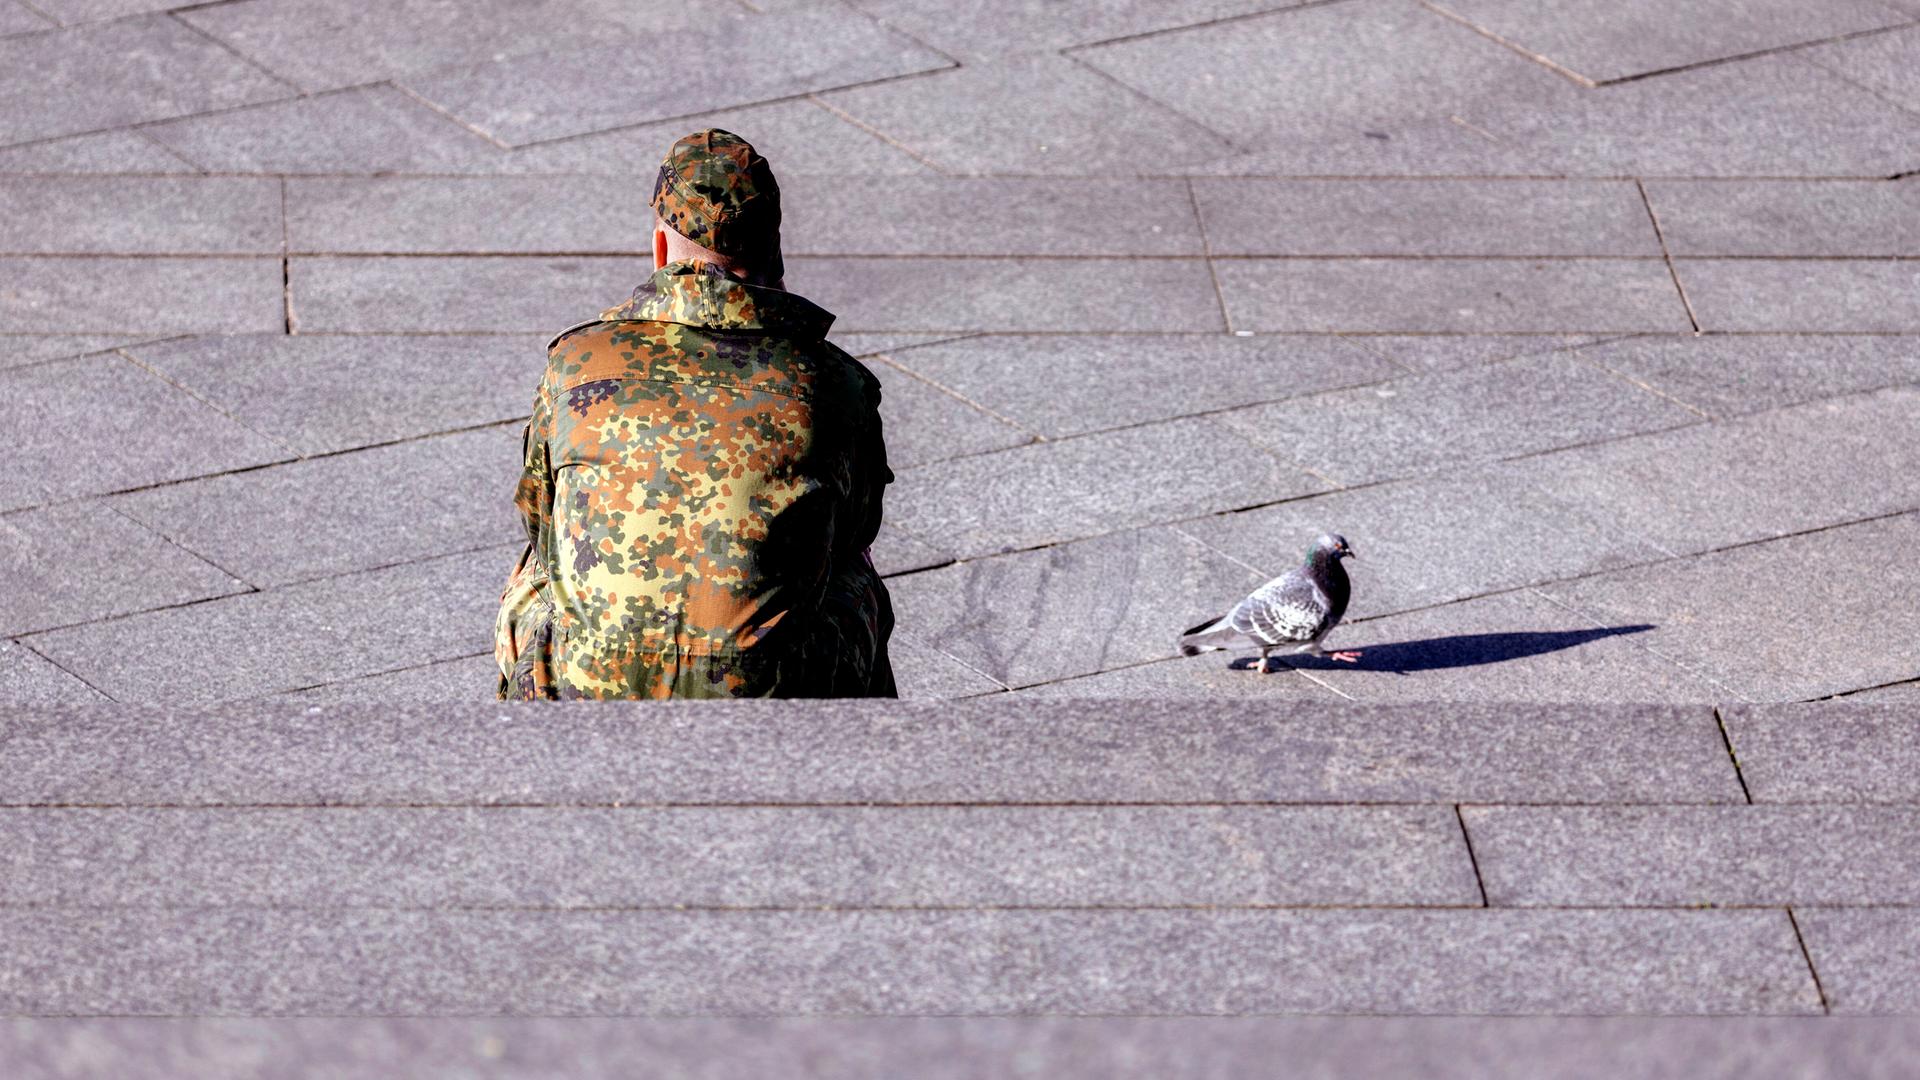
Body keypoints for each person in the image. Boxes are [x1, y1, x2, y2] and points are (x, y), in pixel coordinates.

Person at [494, 130, 895, 699]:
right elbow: (858, 526)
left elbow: (539, 515)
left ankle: (525, 753)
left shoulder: (577, 361)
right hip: (766, 690)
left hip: (590, 682)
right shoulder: (834, 381)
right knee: (852, 574)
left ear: (661, 249)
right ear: (774, 247)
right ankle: (857, 765)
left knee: (542, 567)